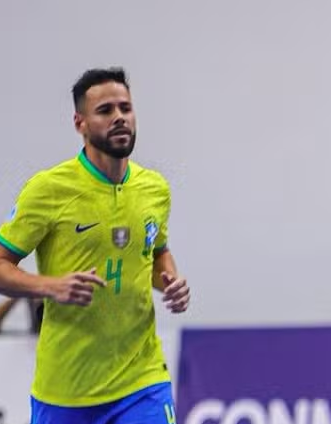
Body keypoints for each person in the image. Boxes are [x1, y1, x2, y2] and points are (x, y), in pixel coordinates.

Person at [0, 67, 191, 424]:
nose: (119, 118)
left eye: (125, 108)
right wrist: (49, 286)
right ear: (80, 123)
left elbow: (157, 252)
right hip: (65, 390)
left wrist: (170, 281)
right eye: (105, 111)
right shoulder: (48, 189)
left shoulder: (155, 189)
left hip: (142, 380)